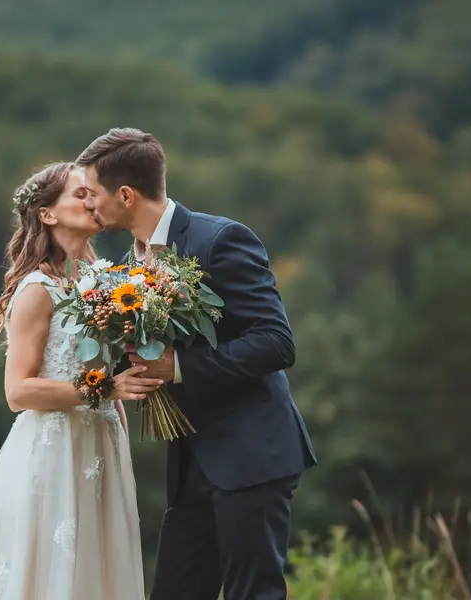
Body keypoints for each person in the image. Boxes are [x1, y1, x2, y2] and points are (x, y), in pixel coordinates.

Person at [77, 129, 317, 600]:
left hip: (251, 454)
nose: (88, 206)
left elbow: (276, 342)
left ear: (126, 195)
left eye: (93, 194)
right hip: (191, 463)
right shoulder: (129, 264)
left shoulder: (221, 239)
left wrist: (179, 367)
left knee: (255, 594)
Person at [0, 162, 159, 600]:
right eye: (80, 193)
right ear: (47, 214)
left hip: (102, 446)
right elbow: (18, 392)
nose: (92, 200)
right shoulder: (37, 290)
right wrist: (105, 390)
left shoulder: (103, 283)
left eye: (93, 193)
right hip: (55, 451)